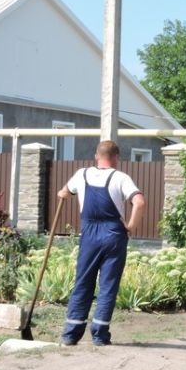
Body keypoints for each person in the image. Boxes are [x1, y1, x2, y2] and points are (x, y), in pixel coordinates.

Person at [56, 140, 146, 346]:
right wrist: (131, 226)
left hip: (89, 234)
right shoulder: (121, 177)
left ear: (97, 155)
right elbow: (139, 202)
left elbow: (64, 192)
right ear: (116, 158)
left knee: (83, 281)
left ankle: (71, 334)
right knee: (108, 285)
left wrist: (63, 194)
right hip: (114, 233)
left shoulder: (82, 174)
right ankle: (99, 335)